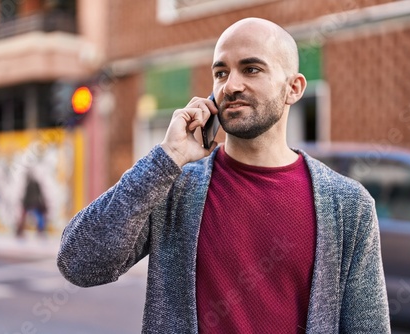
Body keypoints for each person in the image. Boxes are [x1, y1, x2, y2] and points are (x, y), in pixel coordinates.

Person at [57, 17, 390, 333]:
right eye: (220, 73)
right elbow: (79, 263)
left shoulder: (348, 205)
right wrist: (167, 158)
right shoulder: (176, 185)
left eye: (251, 69)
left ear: (294, 88)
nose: (231, 85)